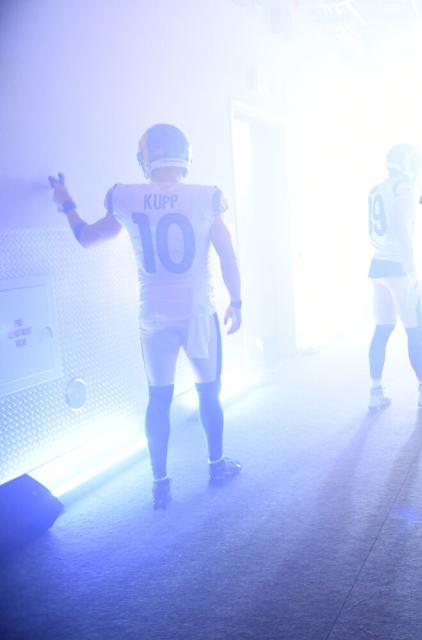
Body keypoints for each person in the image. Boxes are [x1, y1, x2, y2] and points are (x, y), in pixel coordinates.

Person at [49, 123, 242, 509]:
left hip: (153, 315)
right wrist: (237, 301)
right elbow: (227, 254)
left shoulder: (127, 197)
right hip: (197, 310)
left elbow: (86, 237)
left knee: (158, 399)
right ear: (186, 154)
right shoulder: (206, 198)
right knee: (209, 391)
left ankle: (160, 483)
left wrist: (67, 202)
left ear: (146, 158)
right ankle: (216, 465)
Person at [367, 144, 422, 410]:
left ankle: (375, 391)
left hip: (377, 264)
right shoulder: (402, 187)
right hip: (396, 268)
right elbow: (401, 229)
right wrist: (411, 269)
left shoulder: (376, 189)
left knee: (382, 329)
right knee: (415, 330)